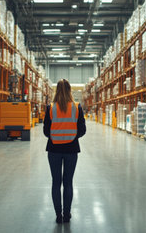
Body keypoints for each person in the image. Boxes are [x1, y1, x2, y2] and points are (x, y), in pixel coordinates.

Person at [43, 79, 86, 224]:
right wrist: (72, 137)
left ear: (56, 91)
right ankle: (67, 215)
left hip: (54, 149)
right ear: (69, 90)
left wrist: (56, 136)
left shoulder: (50, 107)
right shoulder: (76, 107)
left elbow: (45, 131)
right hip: (71, 149)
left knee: (56, 182)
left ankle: (58, 216)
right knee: (68, 182)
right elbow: (82, 130)